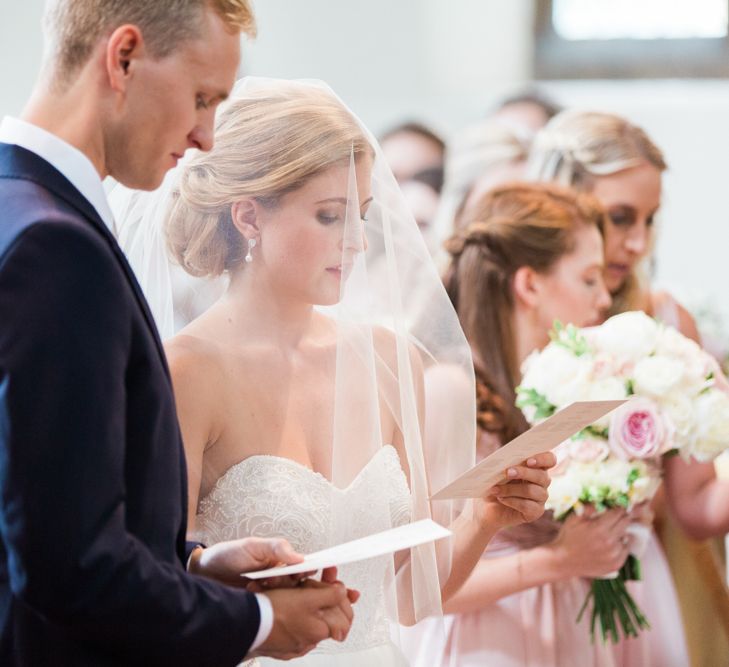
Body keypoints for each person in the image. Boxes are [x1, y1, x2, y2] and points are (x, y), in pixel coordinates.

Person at [112, 77, 556, 666]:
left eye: (361, 216)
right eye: (329, 215)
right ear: (249, 217)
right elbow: (156, 586)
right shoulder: (188, 371)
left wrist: (483, 518)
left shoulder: (388, 361)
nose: (354, 241)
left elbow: (407, 596)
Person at [0, 3, 358, 665]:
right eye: (201, 97)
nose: (207, 137)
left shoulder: (16, 200)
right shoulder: (55, 245)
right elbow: (68, 566)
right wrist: (254, 619)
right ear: (124, 58)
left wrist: (190, 562)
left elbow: (31, 498)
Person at [529, 109, 729, 665]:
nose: (638, 243)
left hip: (636, 586)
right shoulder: (512, 317)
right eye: (619, 218)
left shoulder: (665, 319)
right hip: (525, 595)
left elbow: (696, 507)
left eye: (650, 220)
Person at [407, 182, 629, 667]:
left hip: (563, 628)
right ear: (529, 284)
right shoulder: (449, 388)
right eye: (589, 279)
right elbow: (420, 582)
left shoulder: (559, 385)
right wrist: (560, 559)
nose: (606, 298)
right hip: (485, 640)